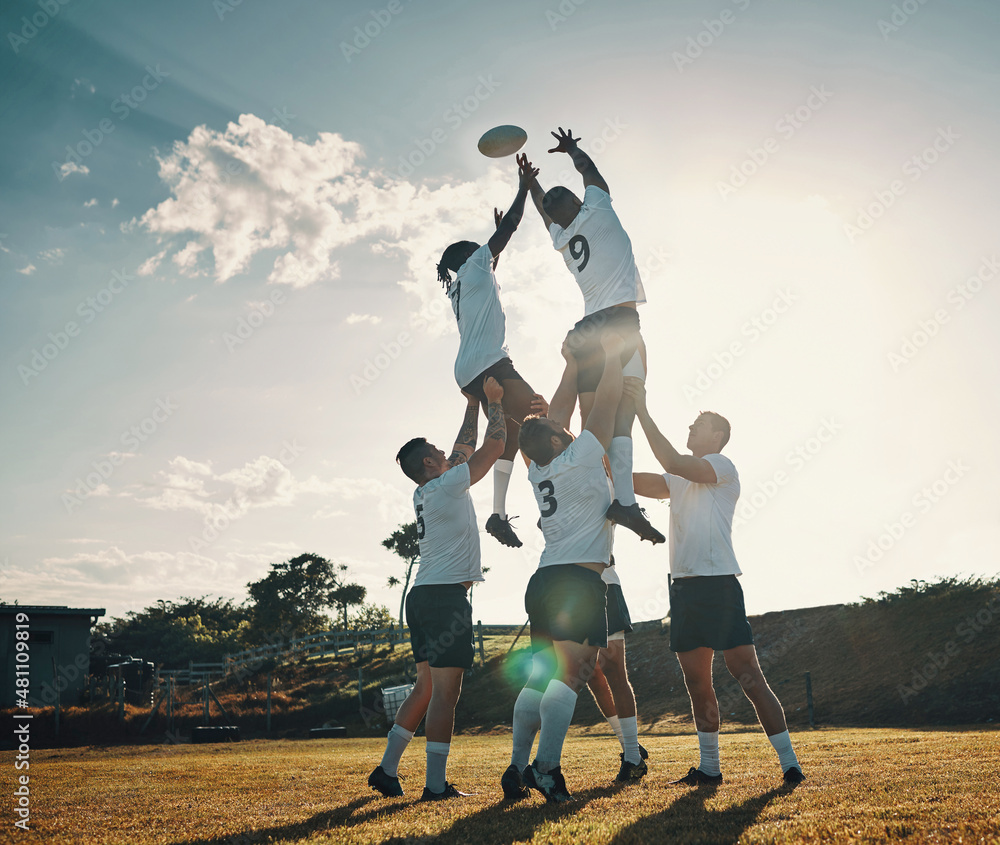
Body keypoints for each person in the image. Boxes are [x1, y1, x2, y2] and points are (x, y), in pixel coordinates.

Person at [626, 382, 805, 787]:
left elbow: (670, 459)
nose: (690, 427)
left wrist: (641, 410)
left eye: (698, 424)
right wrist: (589, 452)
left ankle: (790, 765)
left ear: (717, 436)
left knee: (749, 677)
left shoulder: (722, 468)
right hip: (685, 590)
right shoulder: (676, 480)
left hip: (719, 586)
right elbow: (632, 478)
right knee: (696, 683)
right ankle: (709, 770)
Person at [502, 331, 646, 805]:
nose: (566, 427)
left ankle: (517, 767)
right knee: (572, 674)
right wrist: (608, 356)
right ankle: (547, 769)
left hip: (544, 578)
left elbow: (551, 420)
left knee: (541, 676)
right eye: (561, 428)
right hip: (577, 581)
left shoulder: (537, 466)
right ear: (560, 439)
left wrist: (568, 365)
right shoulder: (582, 453)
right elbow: (603, 403)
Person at [368, 377, 507, 801]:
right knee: (446, 694)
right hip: (445, 598)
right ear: (430, 463)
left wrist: (470, 404)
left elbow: (463, 447)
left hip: (423, 596)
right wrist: (494, 405)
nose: (448, 453)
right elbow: (493, 447)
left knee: (425, 688)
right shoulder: (448, 483)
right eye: (439, 453)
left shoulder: (425, 488)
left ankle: (387, 770)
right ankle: (434, 785)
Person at [526, 126, 663, 545]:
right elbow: (590, 175)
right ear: (578, 202)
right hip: (617, 322)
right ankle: (622, 501)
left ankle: (569, 488)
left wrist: (531, 184)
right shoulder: (598, 210)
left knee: (589, 421)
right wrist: (572, 151)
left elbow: (543, 210)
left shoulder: (561, 239)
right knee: (621, 410)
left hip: (585, 327)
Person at [437, 153, 547, 550]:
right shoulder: (475, 266)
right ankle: (550, 493)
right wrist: (522, 187)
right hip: (490, 363)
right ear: (471, 257)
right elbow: (513, 227)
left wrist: (496, 238)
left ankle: (499, 514)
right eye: (478, 248)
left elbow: (492, 259)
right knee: (540, 416)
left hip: (468, 370)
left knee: (512, 435)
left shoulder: (460, 284)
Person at [584, 562, 649, 770]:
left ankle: (632, 756)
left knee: (613, 670)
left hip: (605, 584)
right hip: (569, 588)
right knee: (591, 674)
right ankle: (628, 744)